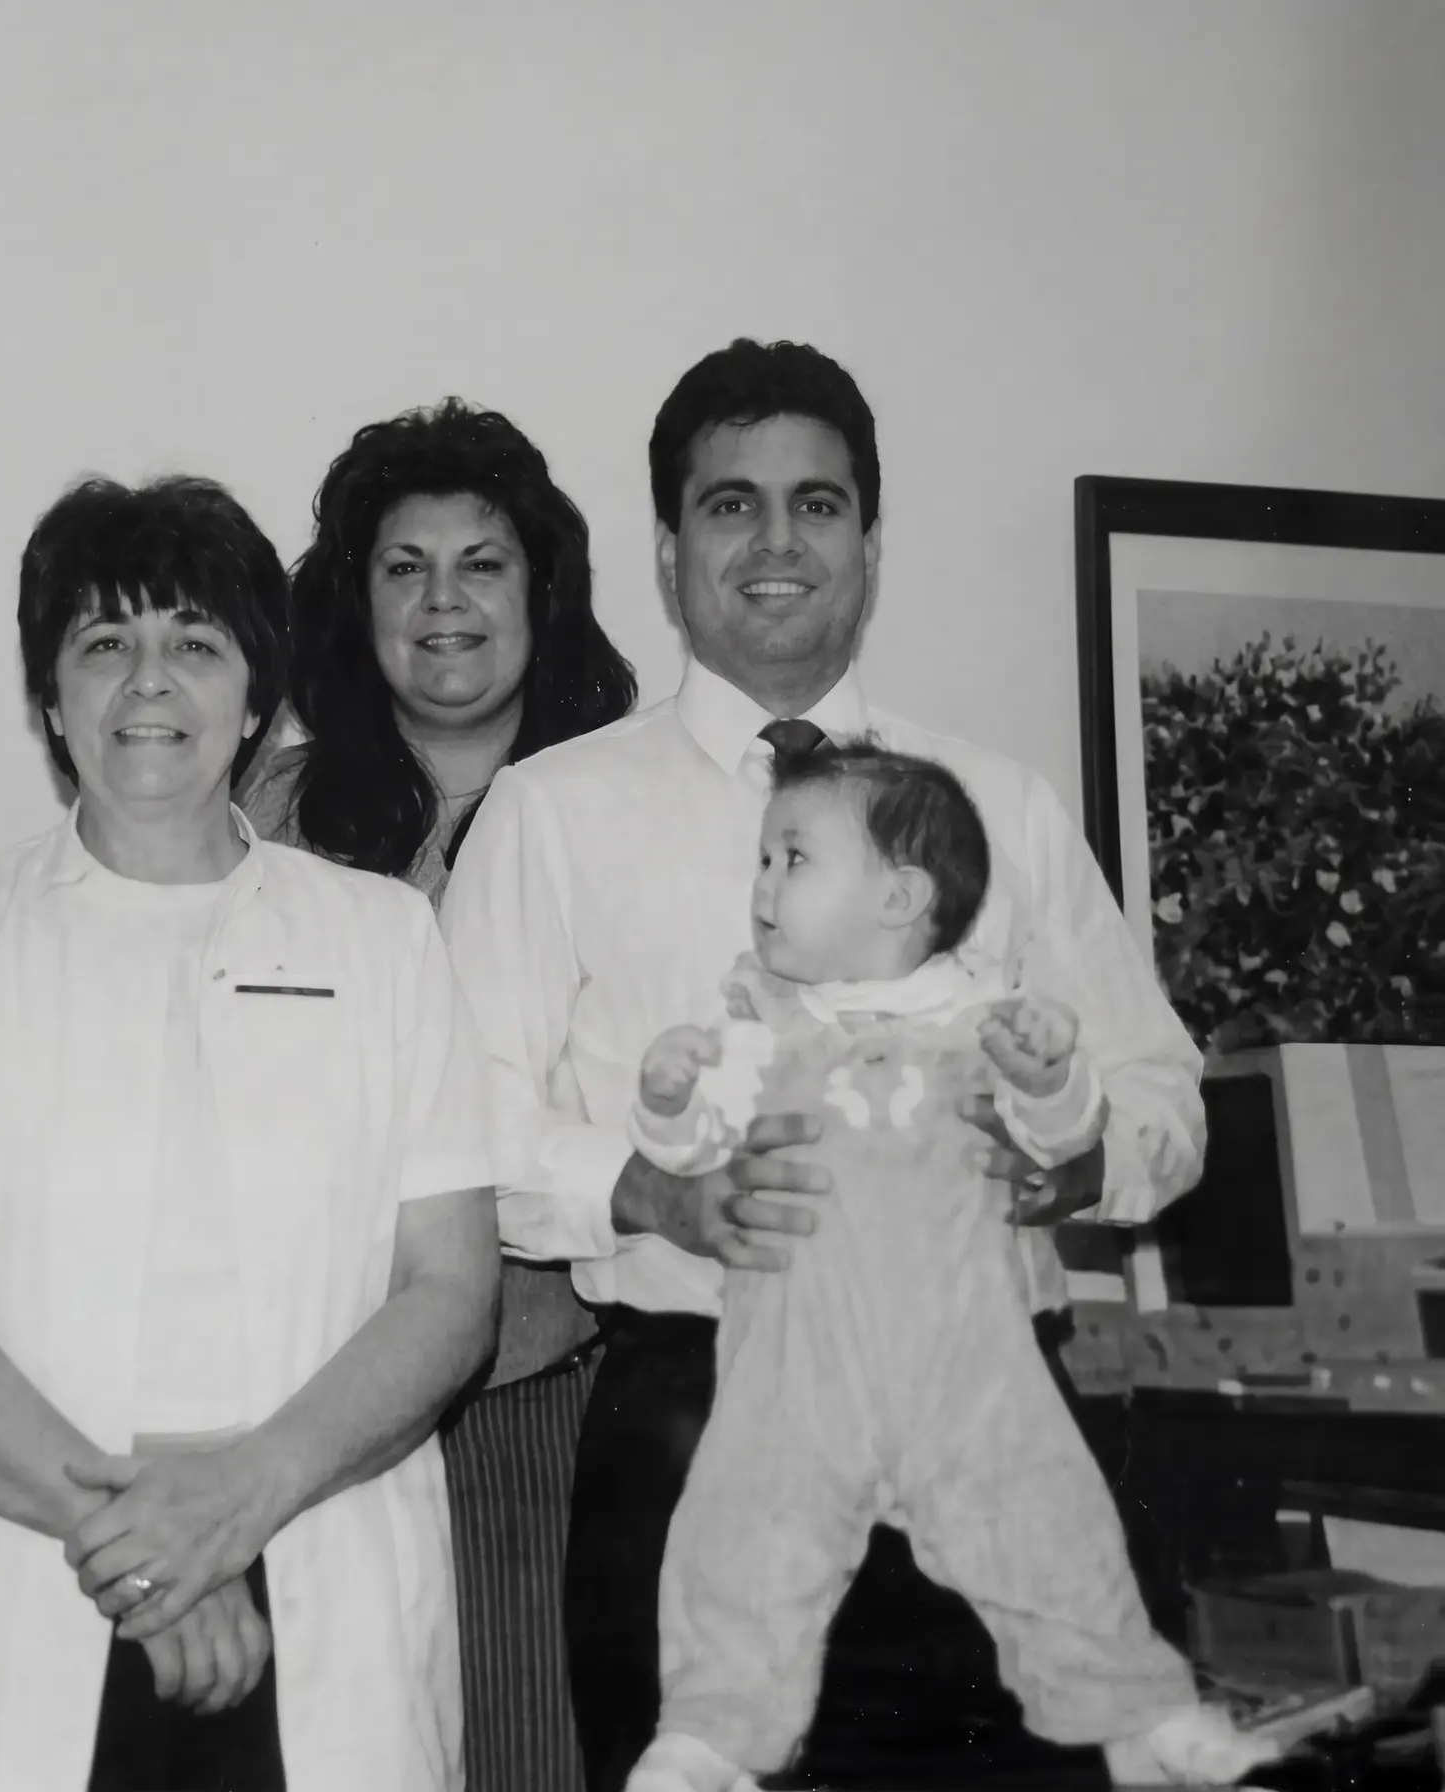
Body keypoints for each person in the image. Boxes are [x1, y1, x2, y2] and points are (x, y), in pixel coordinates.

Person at [439, 338, 1213, 1792]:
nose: (777, 541)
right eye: (731, 504)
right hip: (703, 1429)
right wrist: (654, 1194)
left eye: (818, 502)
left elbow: (1159, 1089)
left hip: (992, 1417)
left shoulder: (1004, 806)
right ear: (669, 555)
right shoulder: (551, 814)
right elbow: (460, 1120)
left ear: (869, 541)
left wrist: (1079, 1163)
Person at [0, 474, 502, 1792]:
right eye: (102, 643)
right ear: (48, 698)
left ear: (257, 698)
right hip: (17, 1571)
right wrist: (143, 1550)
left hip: (314, 1563)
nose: (148, 680)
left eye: (194, 641)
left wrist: (239, 1500)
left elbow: (451, 1291)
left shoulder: (387, 941)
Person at [623, 742, 1275, 1792]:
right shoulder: (755, 1024)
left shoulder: (989, 1022)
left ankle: (1142, 1717)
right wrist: (666, 1097)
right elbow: (692, 1146)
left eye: (793, 858)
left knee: (1050, 1530)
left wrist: (1051, 1078)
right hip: (796, 1373)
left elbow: (1061, 1141)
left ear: (900, 897)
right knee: (741, 1534)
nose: (763, 885)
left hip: (970, 1371)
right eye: (763, 860)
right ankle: (711, 1737)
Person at [242, 398, 634, 1792]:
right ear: (356, 603)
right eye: (404, 567)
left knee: (529, 1754)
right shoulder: (260, 821)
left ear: (543, 593)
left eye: (483, 563)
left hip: (543, 1382)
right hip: (312, 1384)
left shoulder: (617, 806)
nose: (444, 601)